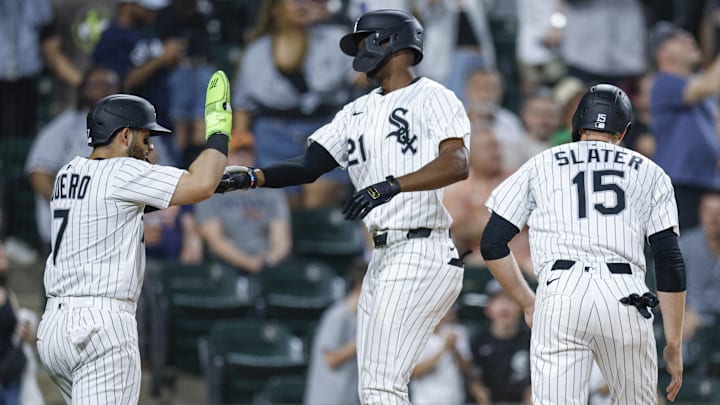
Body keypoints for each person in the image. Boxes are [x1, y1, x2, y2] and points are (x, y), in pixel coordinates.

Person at [217, 9, 470, 404]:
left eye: (364, 41)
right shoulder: (355, 111)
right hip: (382, 255)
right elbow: (308, 166)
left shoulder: (434, 96)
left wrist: (390, 186)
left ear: (391, 43)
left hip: (424, 248)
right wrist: (252, 176)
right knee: (374, 385)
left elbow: (457, 162)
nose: (357, 52)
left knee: (383, 383)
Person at [35, 70, 233, 404]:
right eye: (145, 138)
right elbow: (200, 184)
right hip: (101, 325)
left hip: (55, 327)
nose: (152, 146)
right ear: (124, 136)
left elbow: (118, 208)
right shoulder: (123, 171)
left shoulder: (68, 172)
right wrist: (217, 131)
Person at [479, 84, 686, 403]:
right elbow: (669, 260)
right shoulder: (651, 172)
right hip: (624, 294)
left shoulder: (542, 163)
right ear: (625, 130)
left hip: (560, 292)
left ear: (576, 125)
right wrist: (673, 342)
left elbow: (492, 243)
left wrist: (527, 302)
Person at [231, 0, 356, 208]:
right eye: (295, 1)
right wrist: (241, 143)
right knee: (284, 206)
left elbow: (361, 77)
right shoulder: (257, 51)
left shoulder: (335, 39)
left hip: (325, 127)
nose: (303, 5)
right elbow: (244, 104)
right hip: (274, 133)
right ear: (276, 8)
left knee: (319, 201)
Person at [25, 67, 120, 255]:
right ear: (84, 90)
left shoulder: (131, 131)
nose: (102, 90)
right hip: (70, 228)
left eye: (108, 85)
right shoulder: (65, 126)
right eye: (95, 84)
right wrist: (68, 207)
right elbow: (38, 173)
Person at [649, 21, 720, 230]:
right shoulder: (664, 82)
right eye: (678, 39)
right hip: (680, 187)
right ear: (663, 54)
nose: (689, 40)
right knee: (686, 253)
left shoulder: (699, 90)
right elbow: (710, 84)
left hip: (707, 185)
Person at [196, 134, 291, 274]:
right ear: (225, 158)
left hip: (267, 264)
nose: (242, 159)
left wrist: (270, 259)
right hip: (226, 266)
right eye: (237, 154)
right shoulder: (211, 190)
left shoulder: (270, 190)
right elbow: (215, 240)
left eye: (247, 153)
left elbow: (282, 238)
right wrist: (248, 263)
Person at [304, 260, 366, 405]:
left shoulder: (360, 319)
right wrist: (363, 339)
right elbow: (331, 359)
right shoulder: (337, 315)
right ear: (359, 286)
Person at [467, 280, 531, 405]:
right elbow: (473, 375)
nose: (504, 306)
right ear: (488, 309)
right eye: (498, 301)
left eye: (510, 300)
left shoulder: (531, 339)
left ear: (520, 307)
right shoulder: (479, 339)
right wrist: (478, 391)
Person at [409, 304, 474, 405]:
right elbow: (416, 372)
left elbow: (466, 369)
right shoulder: (416, 336)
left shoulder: (457, 331)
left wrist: (455, 350)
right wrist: (444, 349)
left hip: (454, 398)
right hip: (425, 400)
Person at [679, 191, 720, 342]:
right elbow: (664, 288)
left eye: (718, 212)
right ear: (700, 213)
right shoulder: (685, 245)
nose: (713, 218)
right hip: (689, 321)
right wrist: (681, 313)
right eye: (708, 211)